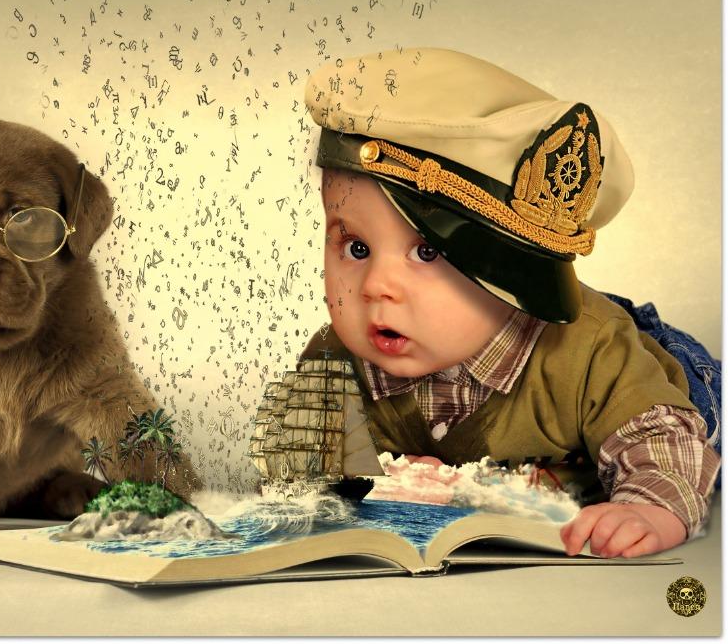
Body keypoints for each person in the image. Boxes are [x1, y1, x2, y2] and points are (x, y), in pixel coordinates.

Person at [300, 48, 720, 558]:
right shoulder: (333, 363)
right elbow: (302, 468)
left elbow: (659, 441)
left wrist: (648, 508)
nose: (376, 287)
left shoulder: (588, 353)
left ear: (504, 270)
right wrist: (369, 484)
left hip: (668, 377)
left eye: (427, 252)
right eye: (356, 248)